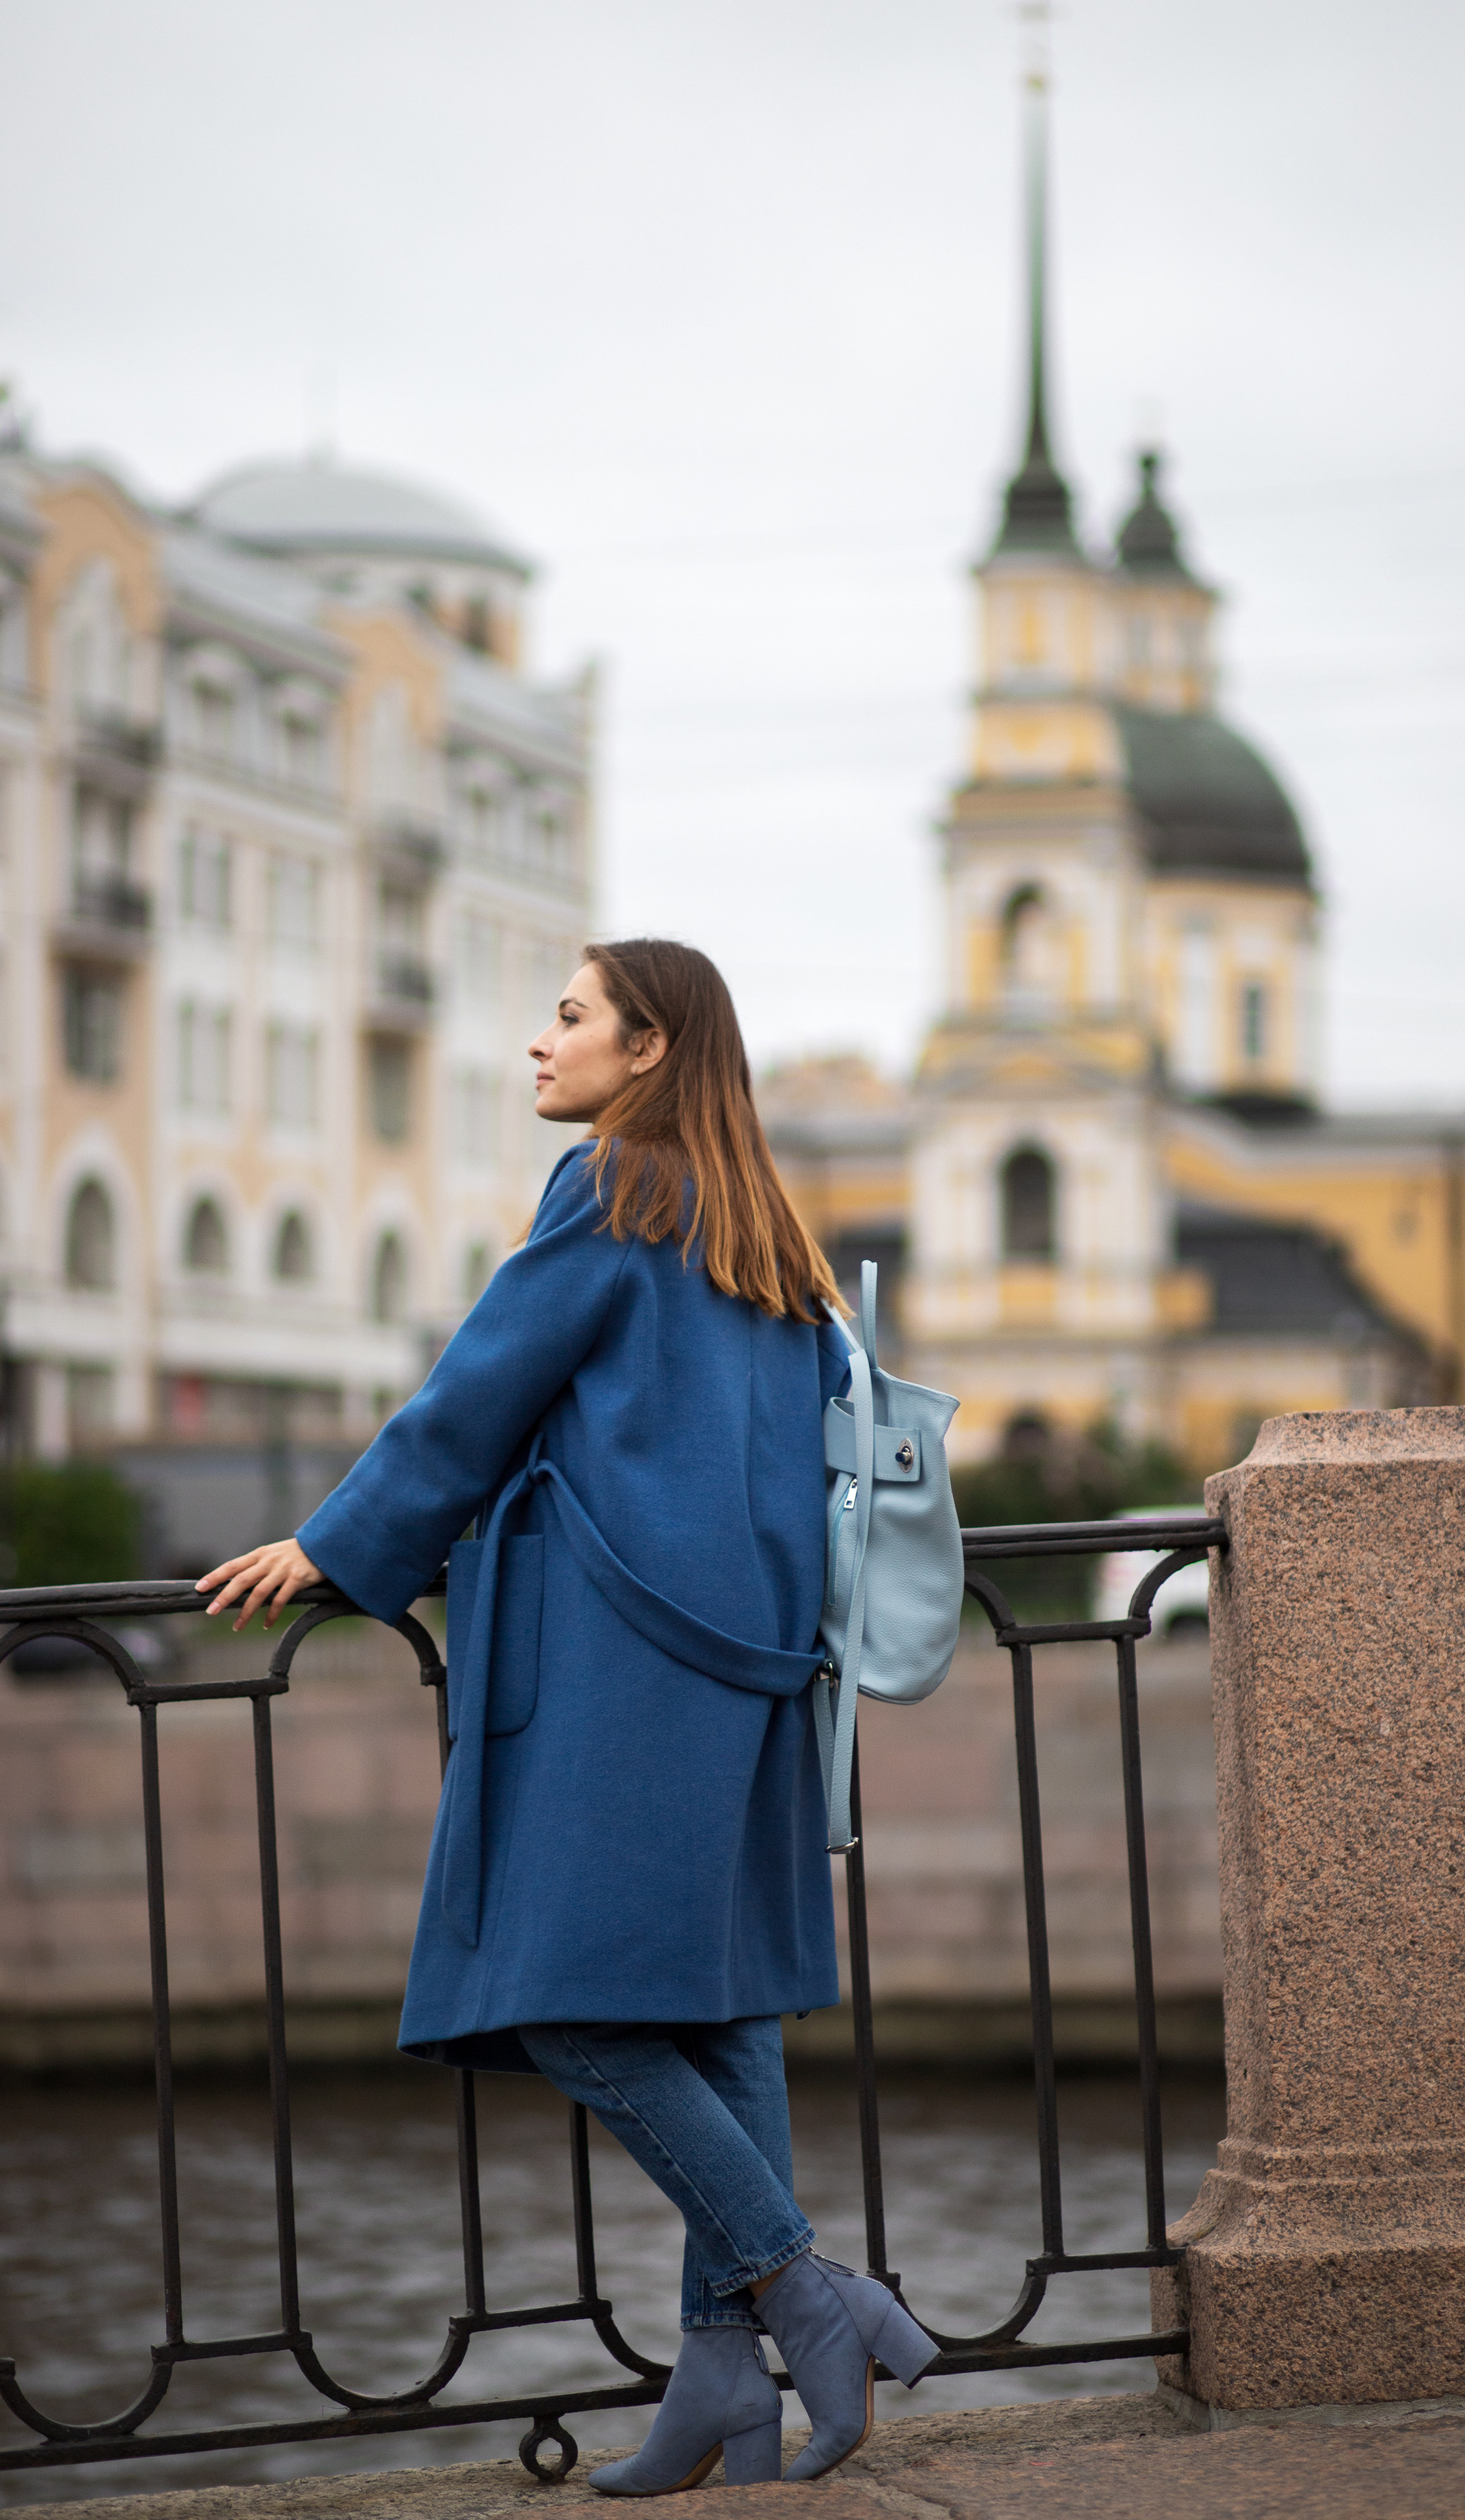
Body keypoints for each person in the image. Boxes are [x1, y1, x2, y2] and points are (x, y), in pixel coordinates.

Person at [197, 939, 935, 2492]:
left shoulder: (614, 1186)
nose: (539, 1046)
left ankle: (811, 2292)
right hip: (750, 1662)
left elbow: (476, 1390)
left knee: (570, 2003)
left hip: (624, 1661)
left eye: (570, 1017)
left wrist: (336, 1544)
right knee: (716, 2013)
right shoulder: (769, 1232)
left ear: (649, 1051)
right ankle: (725, 2385)